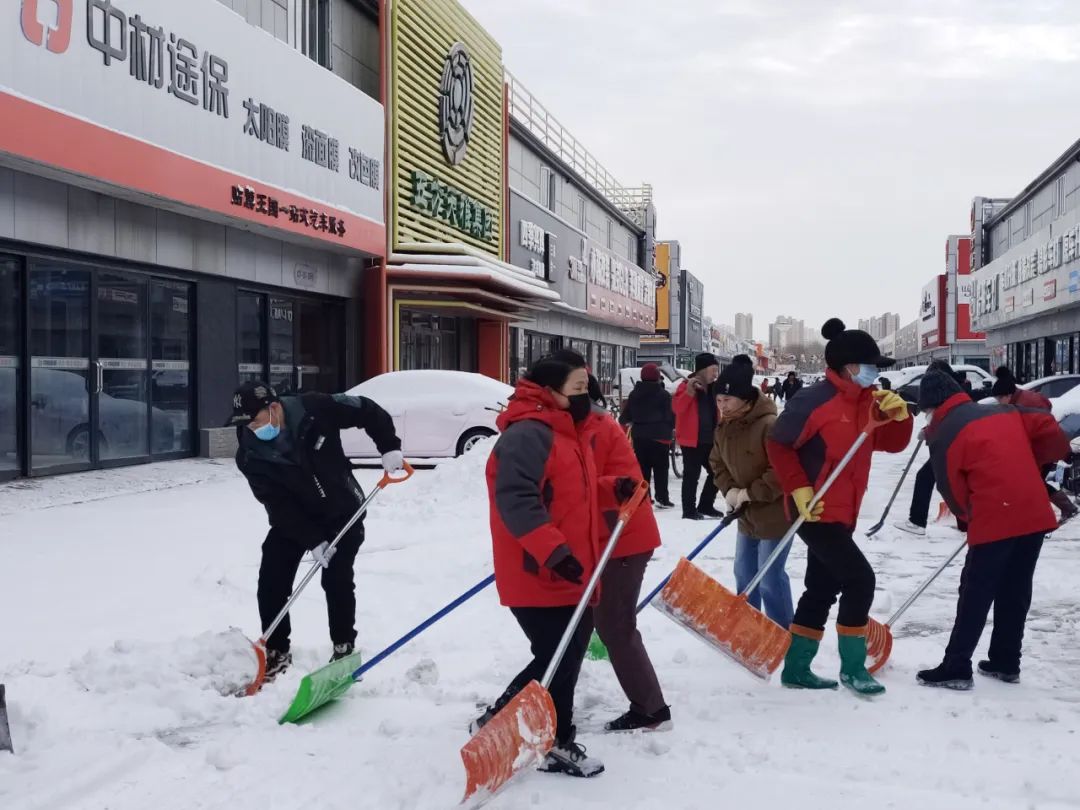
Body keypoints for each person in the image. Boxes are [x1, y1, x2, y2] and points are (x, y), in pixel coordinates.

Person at [476, 356, 625, 778]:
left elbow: (567, 490)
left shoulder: (563, 431)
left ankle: (502, 717)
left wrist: (613, 487)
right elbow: (516, 499)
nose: (586, 398)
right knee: (560, 654)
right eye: (577, 389)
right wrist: (554, 552)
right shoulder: (528, 434)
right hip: (539, 569)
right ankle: (555, 741)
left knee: (560, 653)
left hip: (567, 567)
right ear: (550, 391)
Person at [768, 318, 913, 696]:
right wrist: (798, 488)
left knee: (821, 587)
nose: (873, 374)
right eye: (869, 367)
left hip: (845, 510)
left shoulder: (870, 402)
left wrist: (901, 416)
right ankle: (853, 667)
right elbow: (779, 444)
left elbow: (891, 444)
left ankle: (797, 668)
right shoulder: (814, 401)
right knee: (860, 579)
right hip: (814, 510)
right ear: (848, 367)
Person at [228, 380, 403, 681]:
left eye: (255, 421)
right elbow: (277, 505)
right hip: (296, 518)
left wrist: (389, 446)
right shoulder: (249, 455)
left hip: (342, 510)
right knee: (272, 576)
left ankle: (343, 646)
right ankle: (276, 651)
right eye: (246, 425)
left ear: (273, 408)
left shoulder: (316, 408)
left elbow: (368, 411)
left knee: (336, 577)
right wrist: (313, 540)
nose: (252, 429)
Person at [914, 370, 1069, 689]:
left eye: (927, 410)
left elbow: (952, 493)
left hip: (995, 516)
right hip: (1034, 511)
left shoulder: (944, 434)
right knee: (1015, 586)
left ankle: (956, 666)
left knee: (975, 590)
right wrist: (1031, 460)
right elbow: (1050, 429)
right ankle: (1005, 660)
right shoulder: (1004, 409)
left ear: (934, 405)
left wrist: (970, 517)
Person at [549, 352, 670, 732]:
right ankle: (554, 699)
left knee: (615, 625)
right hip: (598, 539)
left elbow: (622, 485)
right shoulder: (577, 424)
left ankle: (652, 710)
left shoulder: (596, 427)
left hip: (622, 539)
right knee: (580, 623)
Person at [710, 356, 794, 628]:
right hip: (745, 514)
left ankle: (782, 632)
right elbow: (716, 462)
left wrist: (748, 493)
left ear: (745, 399)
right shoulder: (725, 427)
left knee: (769, 577)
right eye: (719, 400)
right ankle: (749, 628)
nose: (722, 406)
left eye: (728, 400)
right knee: (744, 573)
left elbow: (780, 471)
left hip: (775, 513)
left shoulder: (769, 425)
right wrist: (731, 491)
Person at [893, 361, 971, 537]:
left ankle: (917, 521)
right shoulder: (952, 389)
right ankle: (964, 524)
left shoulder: (951, 392)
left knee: (928, 478)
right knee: (951, 482)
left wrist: (929, 431)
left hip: (953, 445)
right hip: (952, 444)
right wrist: (927, 430)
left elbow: (950, 420)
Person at [991, 365, 1078, 521]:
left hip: (1046, 447)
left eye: (999, 399)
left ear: (1008, 395)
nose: (999, 403)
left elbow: (1030, 428)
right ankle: (1058, 509)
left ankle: (1065, 508)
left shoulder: (1024, 404)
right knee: (1034, 481)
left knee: (1034, 482)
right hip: (1044, 446)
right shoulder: (1022, 398)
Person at [673, 353, 722, 520]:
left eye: (717, 370)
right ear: (702, 369)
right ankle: (689, 510)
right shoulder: (686, 386)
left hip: (710, 440)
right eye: (713, 370)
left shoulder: (714, 388)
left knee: (717, 472)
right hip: (691, 440)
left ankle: (706, 505)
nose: (716, 374)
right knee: (691, 476)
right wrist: (689, 392)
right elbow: (677, 409)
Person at [619, 363, 675, 509]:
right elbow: (671, 417)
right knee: (661, 469)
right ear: (657, 377)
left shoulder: (634, 394)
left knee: (643, 469)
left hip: (640, 437)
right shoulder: (664, 395)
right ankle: (662, 498)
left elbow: (624, 418)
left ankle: (644, 496)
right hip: (660, 437)